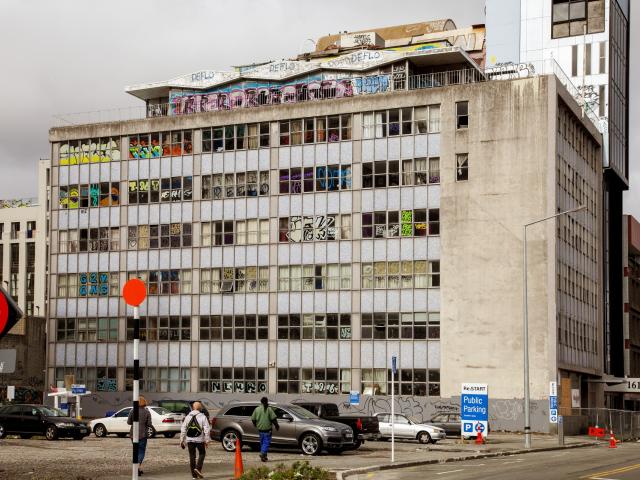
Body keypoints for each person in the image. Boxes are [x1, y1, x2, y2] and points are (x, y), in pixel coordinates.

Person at [180, 401, 211, 480]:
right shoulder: (203, 416)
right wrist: (207, 440)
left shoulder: (187, 416)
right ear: (200, 408)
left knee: (192, 456)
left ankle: (194, 476)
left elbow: (183, 428)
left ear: (193, 408)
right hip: (199, 439)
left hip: (189, 439)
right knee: (202, 453)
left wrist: (182, 440)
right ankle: (198, 468)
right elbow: (207, 429)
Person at [127, 396, 153, 476]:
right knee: (141, 451)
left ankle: (137, 468)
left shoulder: (132, 411)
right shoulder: (147, 412)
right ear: (144, 403)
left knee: (136, 451)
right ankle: (137, 467)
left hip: (133, 434)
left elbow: (128, 422)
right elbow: (149, 424)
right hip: (143, 434)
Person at [251, 397, 279, 462]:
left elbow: (253, 419)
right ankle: (262, 453)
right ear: (266, 401)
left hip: (260, 430)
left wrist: (255, 424)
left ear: (261, 402)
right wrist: (277, 425)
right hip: (267, 430)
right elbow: (273, 419)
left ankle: (264, 457)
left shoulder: (257, 409)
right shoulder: (269, 409)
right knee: (266, 443)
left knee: (262, 443)